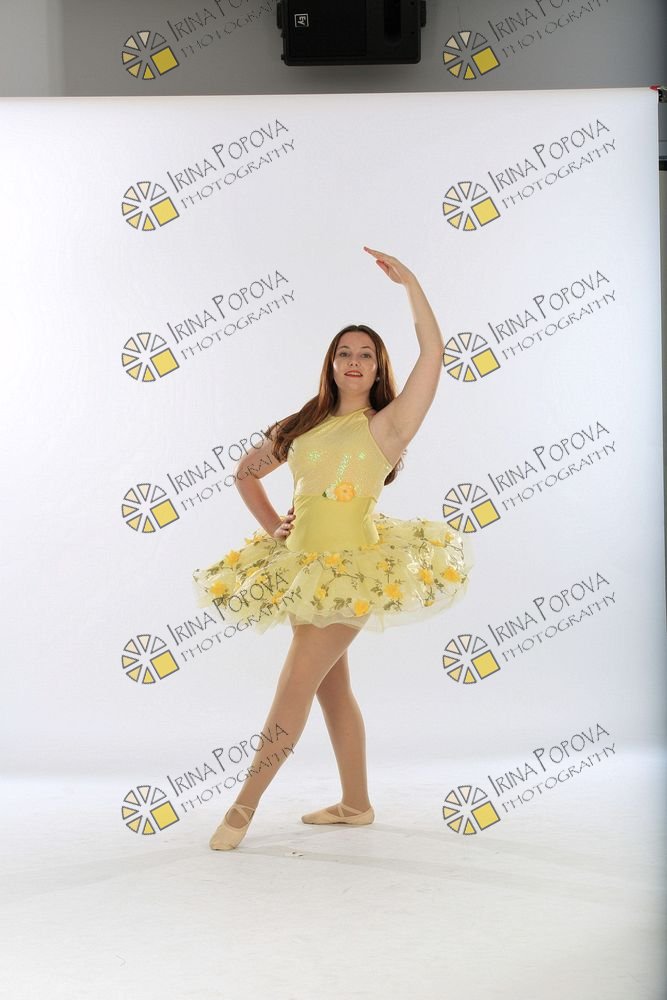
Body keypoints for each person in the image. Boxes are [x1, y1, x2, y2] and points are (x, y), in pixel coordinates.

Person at [192, 246, 474, 850]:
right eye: (344, 352)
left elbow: (434, 353)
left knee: (293, 688)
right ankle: (355, 804)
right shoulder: (303, 425)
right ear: (331, 363)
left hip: (355, 571)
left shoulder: (388, 425)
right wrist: (274, 526)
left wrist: (411, 283)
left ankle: (242, 808)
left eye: (366, 354)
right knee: (331, 688)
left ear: (378, 369)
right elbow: (246, 473)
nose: (354, 361)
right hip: (301, 569)